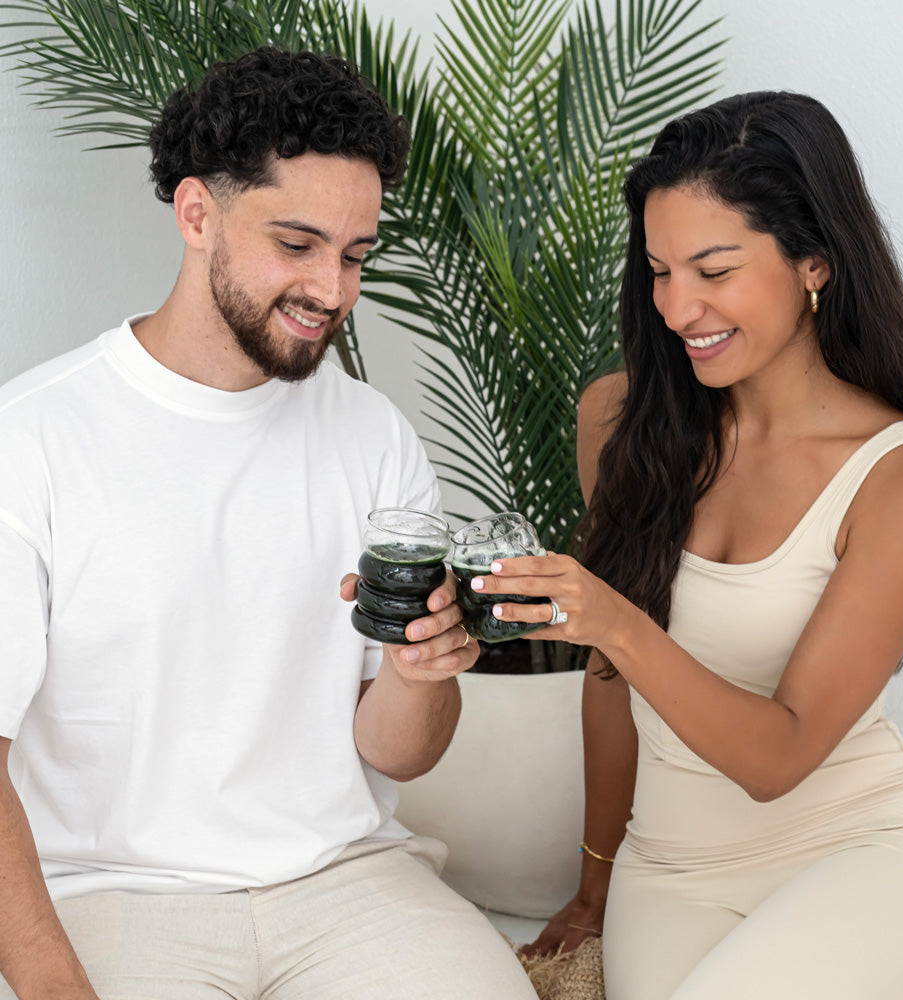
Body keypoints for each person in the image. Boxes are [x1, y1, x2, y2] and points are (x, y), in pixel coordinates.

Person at [0, 46, 536, 1000]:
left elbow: (397, 750)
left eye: (355, 255)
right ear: (198, 212)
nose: (334, 291)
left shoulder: (372, 435)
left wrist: (422, 671)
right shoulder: (34, 439)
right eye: (297, 245)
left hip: (346, 878)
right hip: (113, 896)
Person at [470, 91, 903, 999]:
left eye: (713, 270)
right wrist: (595, 887)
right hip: (671, 875)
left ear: (814, 265)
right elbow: (609, 686)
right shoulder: (620, 419)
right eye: (659, 271)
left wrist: (615, 624)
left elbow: (778, 756)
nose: (678, 309)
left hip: (858, 855)